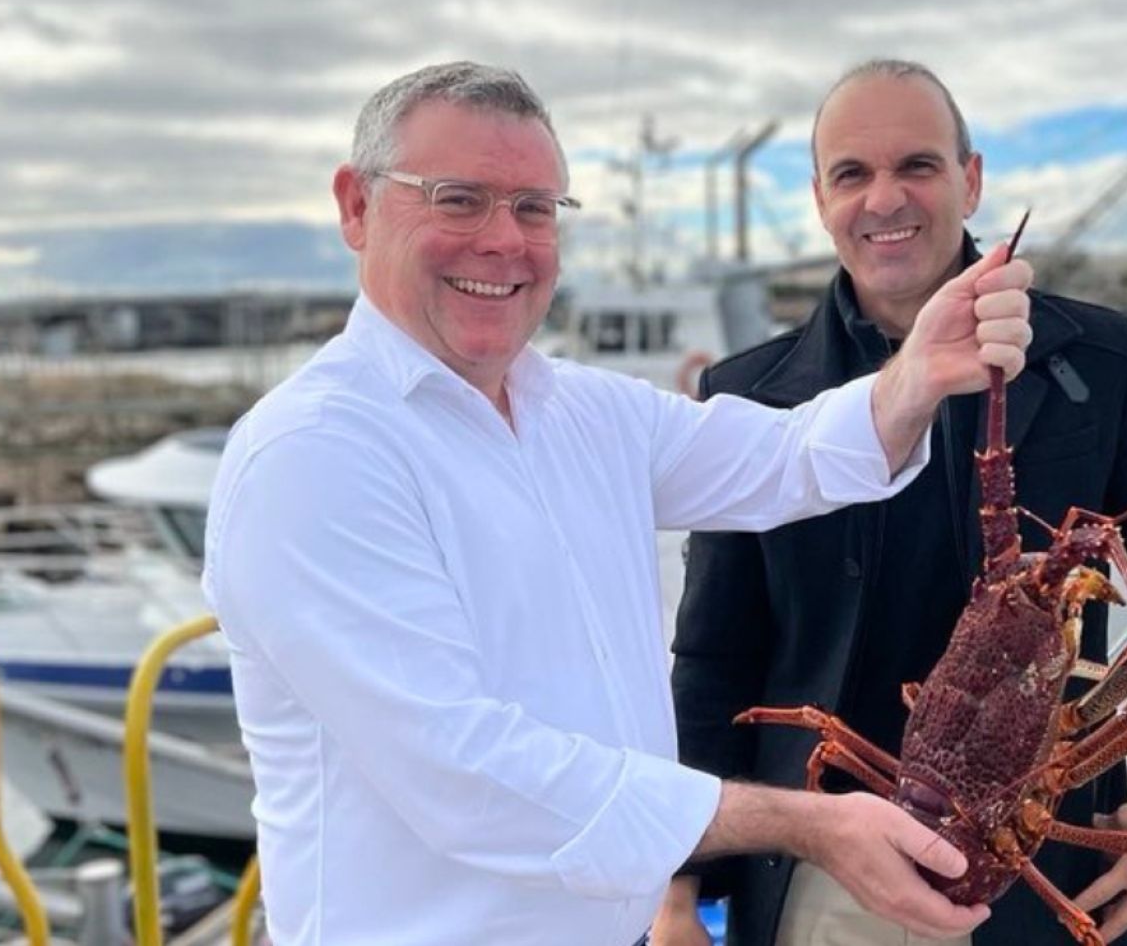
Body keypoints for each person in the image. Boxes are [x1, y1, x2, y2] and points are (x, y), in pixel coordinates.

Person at [202, 61, 1037, 946]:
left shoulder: (579, 410)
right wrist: (804, 823)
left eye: (534, 208)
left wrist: (920, 370)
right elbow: (467, 778)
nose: (504, 240)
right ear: (356, 207)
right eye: (456, 199)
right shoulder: (313, 455)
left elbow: (787, 458)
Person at [656, 60, 1127, 946]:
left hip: (1046, 871)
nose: (884, 198)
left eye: (918, 166)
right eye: (852, 174)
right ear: (820, 200)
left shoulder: (1097, 359)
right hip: (827, 876)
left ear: (970, 181)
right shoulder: (749, 394)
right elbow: (715, 657)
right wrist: (677, 888)